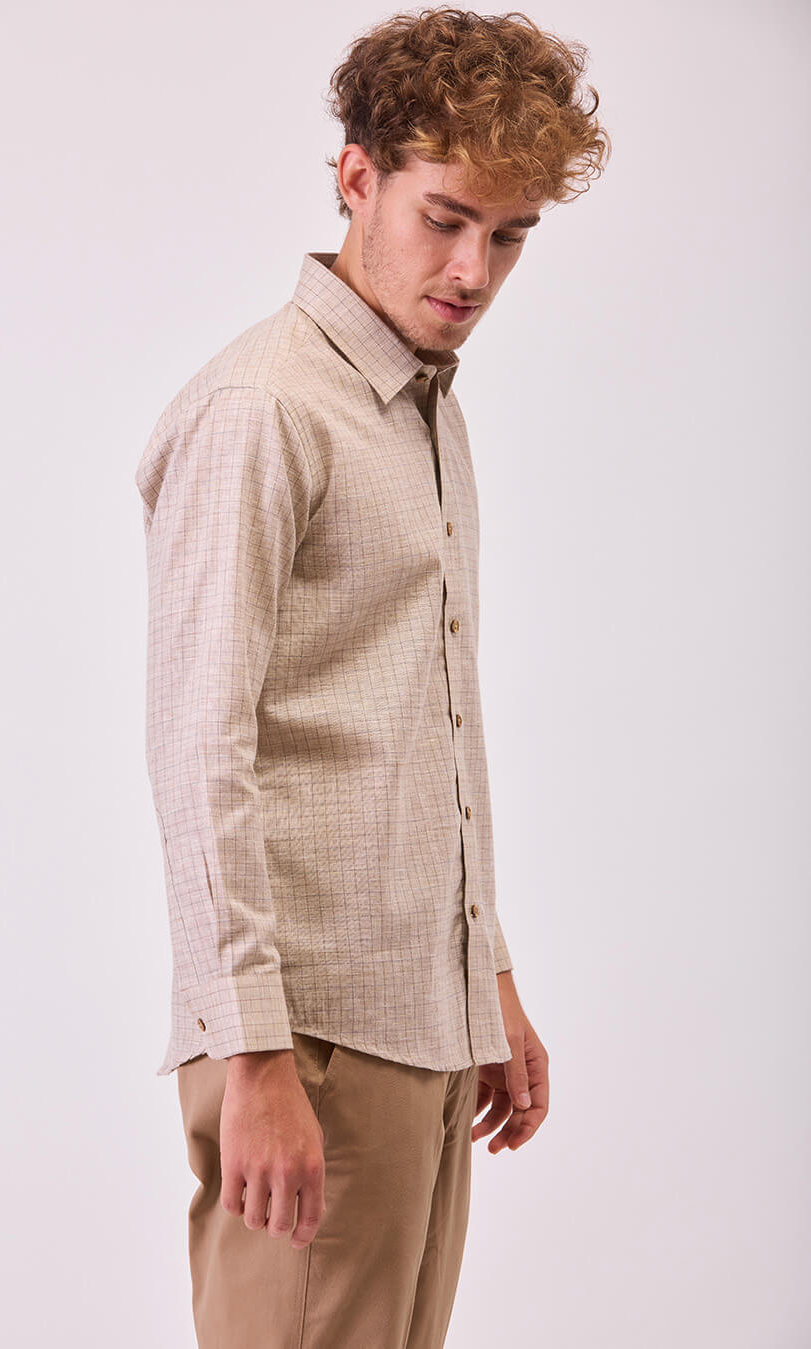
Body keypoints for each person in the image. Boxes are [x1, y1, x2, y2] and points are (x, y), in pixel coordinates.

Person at [135, 8, 609, 1345]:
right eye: (445, 218)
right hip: (307, 1039)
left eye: (509, 236)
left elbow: (423, 727)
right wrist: (255, 1058)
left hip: (420, 1021)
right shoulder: (265, 409)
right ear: (357, 178)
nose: (472, 269)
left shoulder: (420, 408)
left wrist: (485, 977)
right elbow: (201, 750)